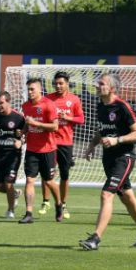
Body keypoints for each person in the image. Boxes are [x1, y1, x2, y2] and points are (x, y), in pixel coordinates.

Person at [79, 73, 136, 250]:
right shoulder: (100, 107)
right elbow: (102, 131)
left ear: (112, 88)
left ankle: (95, 238)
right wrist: (91, 146)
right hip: (109, 159)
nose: (97, 85)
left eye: (101, 83)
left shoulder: (122, 107)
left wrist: (117, 140)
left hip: (124, 158)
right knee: (127, 197)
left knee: (106, 194)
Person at [19, 78, 61, 224]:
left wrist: (35, 123)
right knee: (29, 180)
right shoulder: (25, 106)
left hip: (48, 150)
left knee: (49, 181)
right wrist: (22, 133)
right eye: (28, 89)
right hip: (31, 150)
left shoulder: (49, 105)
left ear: (40, 90)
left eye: (32, 89)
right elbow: (27, 124)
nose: (30, 92)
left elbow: (55, 127)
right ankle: (28, 213)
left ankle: (59, 204)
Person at [43, 71, 85, 220]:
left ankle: (63, 203)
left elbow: (81, 119)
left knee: (65, 175)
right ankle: (47, 201)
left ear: (67, 84)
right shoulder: (48, 99)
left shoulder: (74, 100)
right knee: (48, 174)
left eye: (61, 83)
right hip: (49, 142)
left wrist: (67, 117)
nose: (58, 86)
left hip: (66, 142)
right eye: (56, 83)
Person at [0, 91, 25, 219]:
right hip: (0, 155)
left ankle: (10, 210)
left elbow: (26, 134)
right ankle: (14, 193)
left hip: (13, 155)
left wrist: (21, 141)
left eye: (1, 103)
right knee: (0, 186)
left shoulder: (18, 118)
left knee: (8, 182)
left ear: (8, 102)